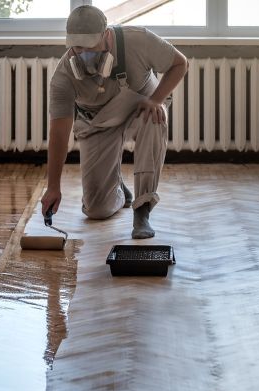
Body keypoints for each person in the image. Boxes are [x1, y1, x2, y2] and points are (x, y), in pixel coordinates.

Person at [40, 5, 188, 239]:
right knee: (96, 210)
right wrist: (53, 187)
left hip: (141, 110)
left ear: (106, 36)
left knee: (155, 119)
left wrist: (156, 100)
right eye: (78, 48)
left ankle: (142, 210)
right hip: (98, 124)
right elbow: (59, 133)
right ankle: (118, 189)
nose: (84, 54)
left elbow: (180, 63)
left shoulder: (138, 40)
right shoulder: (64, 76)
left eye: (91, 47)